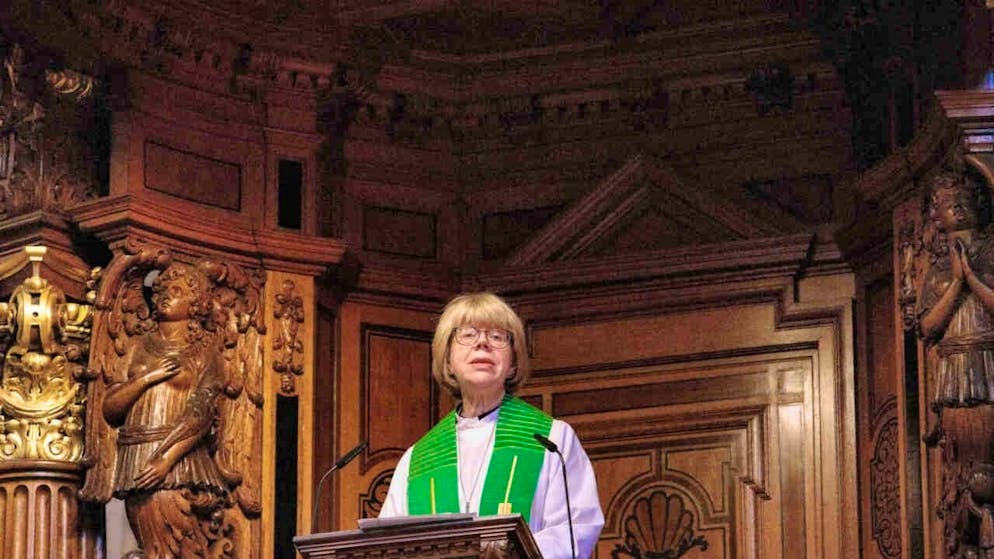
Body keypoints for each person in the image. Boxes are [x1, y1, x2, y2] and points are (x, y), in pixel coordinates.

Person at [379, 292, 604, 558]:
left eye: (497, 336)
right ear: (448, 361)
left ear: (513, 364)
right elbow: (387, 546)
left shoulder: (550, 439)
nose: (482, 343)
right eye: (467, 334)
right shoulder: (418, 460)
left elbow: (574, 531)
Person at [918, 171, 994, 409]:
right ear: (937, 216)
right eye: (949, 202)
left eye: (964, 199)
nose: (958, 207)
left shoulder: (990, 254)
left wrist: (971, 277)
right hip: (955, 364)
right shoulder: (938, 267)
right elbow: (927, 328)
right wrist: (957, 282)